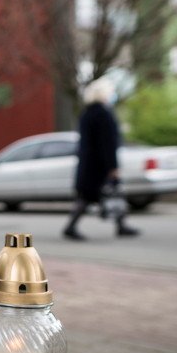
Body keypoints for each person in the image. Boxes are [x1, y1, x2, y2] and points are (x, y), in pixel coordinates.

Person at [63, 78, 139, 241]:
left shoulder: (86, 113)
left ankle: (120, 224)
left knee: (95, 195)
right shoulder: (104, 114)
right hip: (100, 166)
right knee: (104, 194)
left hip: (88, 164)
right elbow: (108, 143)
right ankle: (72, 227)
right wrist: (113, 166)